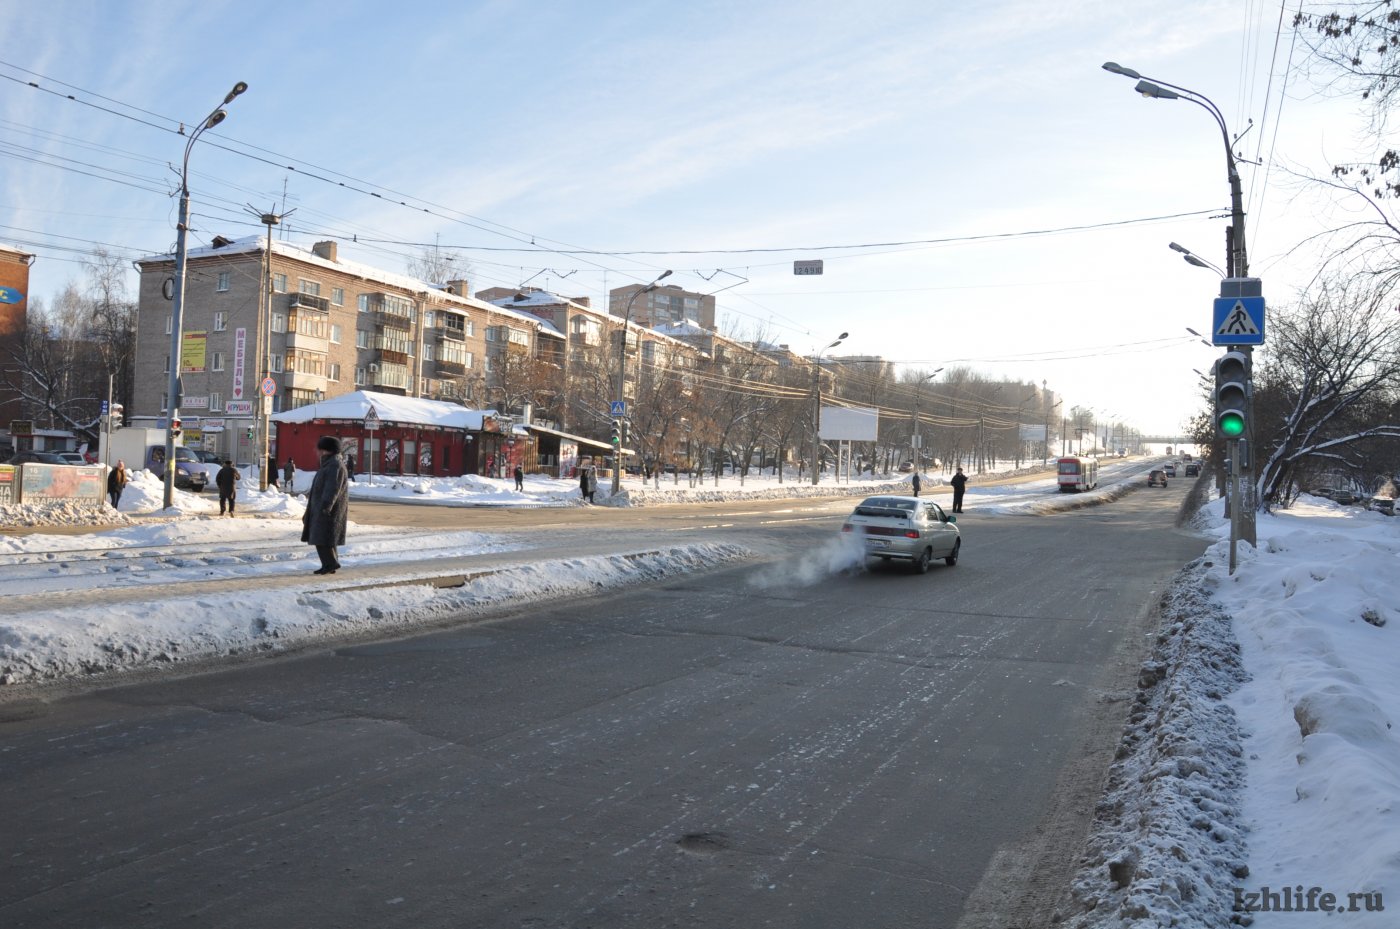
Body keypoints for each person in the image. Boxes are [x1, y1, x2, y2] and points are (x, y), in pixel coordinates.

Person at [301, 436, 349, 575]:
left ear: (328, 450)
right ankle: (329, 565)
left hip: (326, 509)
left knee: (321, 537)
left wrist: (326, 506)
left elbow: (332, 488)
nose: (319, 452)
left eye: (321, 449)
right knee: (326, 539)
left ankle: (331, 563)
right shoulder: (330, 464)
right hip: (322, 507)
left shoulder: (334, 465)